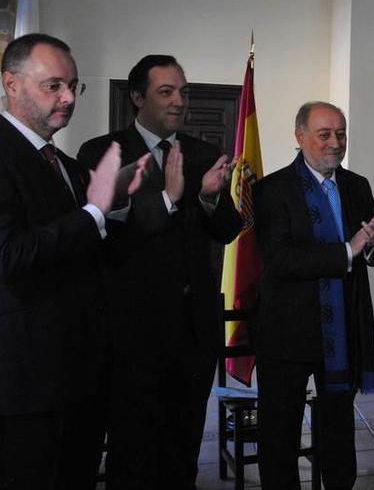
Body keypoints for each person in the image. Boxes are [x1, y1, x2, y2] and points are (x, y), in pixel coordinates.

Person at [76, 55, 242, 489]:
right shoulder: (100, 153)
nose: (178, 101)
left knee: (182, 447)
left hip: (193, 331)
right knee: (132, 451)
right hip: (131, 329)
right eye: (165, 92)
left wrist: (209, 199)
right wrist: (168, 200)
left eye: (182, 92)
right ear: (137, 97)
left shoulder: (204, 153)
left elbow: (227, 230)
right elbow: (103, 239)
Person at [0, 33, 145, 489]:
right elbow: (11, 255)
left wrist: (119, 206)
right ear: (11, 83)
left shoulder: (64, 163)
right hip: (25, 385)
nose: (67, 98)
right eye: (53, 86)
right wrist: (94, 212)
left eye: (74, 86)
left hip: (81, 376)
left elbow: (89, 254)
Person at [253, 101, 374, 489]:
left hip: (340, 331)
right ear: (299, 137)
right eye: (324, 134)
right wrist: (349, 249)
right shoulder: (271, 190)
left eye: (341, 133)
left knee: (338, 430)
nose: (335, 143)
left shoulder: (356, 185)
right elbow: (281, 260)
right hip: (286, 332)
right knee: (280, 434)